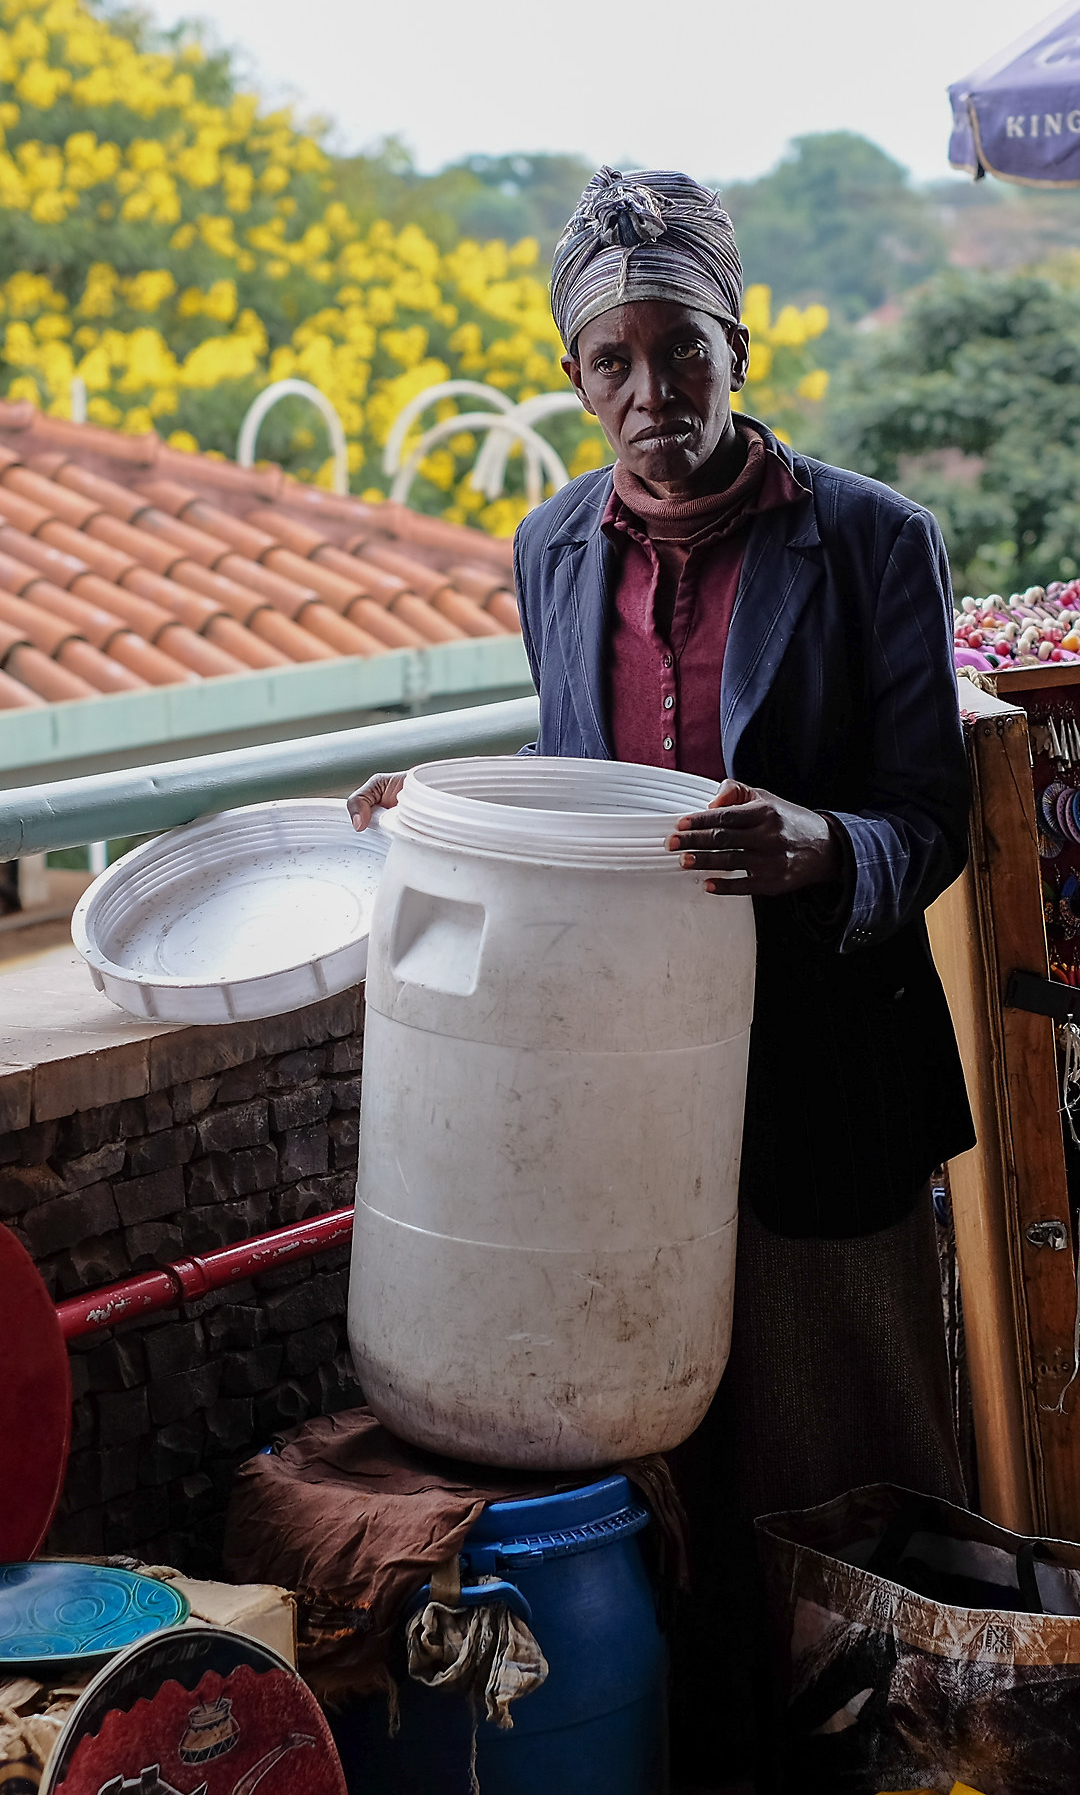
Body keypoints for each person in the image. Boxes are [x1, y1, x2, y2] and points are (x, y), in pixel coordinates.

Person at [348, 166, 974, 1790]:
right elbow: (571, 797)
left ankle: (893, 1751)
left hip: (828, 1065)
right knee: (654, 1445)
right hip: (629, 1075)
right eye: (612, 361)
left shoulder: (873, 545)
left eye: (680, 350)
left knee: (846, 1439)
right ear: (573, 378)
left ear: (737, 348)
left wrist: (822, 848)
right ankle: (707, 1752)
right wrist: (442, 821)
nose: (651, 392)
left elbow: (935, 817)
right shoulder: (550, 548)